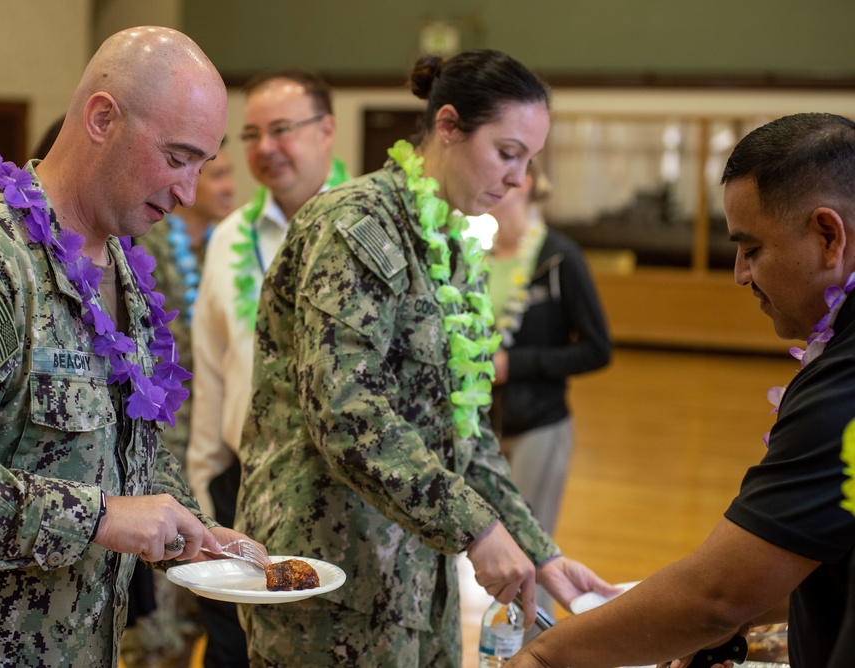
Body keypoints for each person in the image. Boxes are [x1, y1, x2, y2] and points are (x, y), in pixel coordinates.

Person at [0, 26, 259, 667]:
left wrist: (191, 528)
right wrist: (96, 518)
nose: (187, 191)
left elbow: (122, 450)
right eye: (177, 157)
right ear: (102, 118)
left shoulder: (127, 270)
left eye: (202, 166)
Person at [235, 49, 618, 667]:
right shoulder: (355, 226)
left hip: (420, 576)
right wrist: (478, 528)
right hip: (331, 573)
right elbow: (346, 411)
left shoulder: (454, 247)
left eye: (530, 160)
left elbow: (464, 434)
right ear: (447, 126)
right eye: (507, 152)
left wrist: (537, 549)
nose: (520, 179)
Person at [508, 112, 855, 668]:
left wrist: (545, 657)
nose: (741, 274)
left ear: (828, 235)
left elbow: (714, 597)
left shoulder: (843, 389)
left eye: (752, 248)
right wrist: (737, 620)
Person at [187, 68, 349, 667]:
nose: (264, 148)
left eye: (281, 129)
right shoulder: (231, 238)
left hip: (343, 494)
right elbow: (212, 368)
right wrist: (204, 483)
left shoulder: (368, 228)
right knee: (234, 650)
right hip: (243, 484)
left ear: (327, 129)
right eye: (251, 134)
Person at [123, 143, 235, 667]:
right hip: (160, 428)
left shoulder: (233, 246)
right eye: (215, 173)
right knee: (159, 584)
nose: (223, 185)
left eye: (221, 172)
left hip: (207, 433)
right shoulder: (150, 236)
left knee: (203, 581)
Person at [486, 160, 611, 619]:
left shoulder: (559, 257)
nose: (498, 183)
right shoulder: (475, 255)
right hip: (482, 426)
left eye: (512, 169)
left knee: (530, 552)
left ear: (532, 183)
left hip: (541, 423)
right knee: (495, 549)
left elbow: (598, 349)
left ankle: (538, 650)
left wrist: (515, 365)